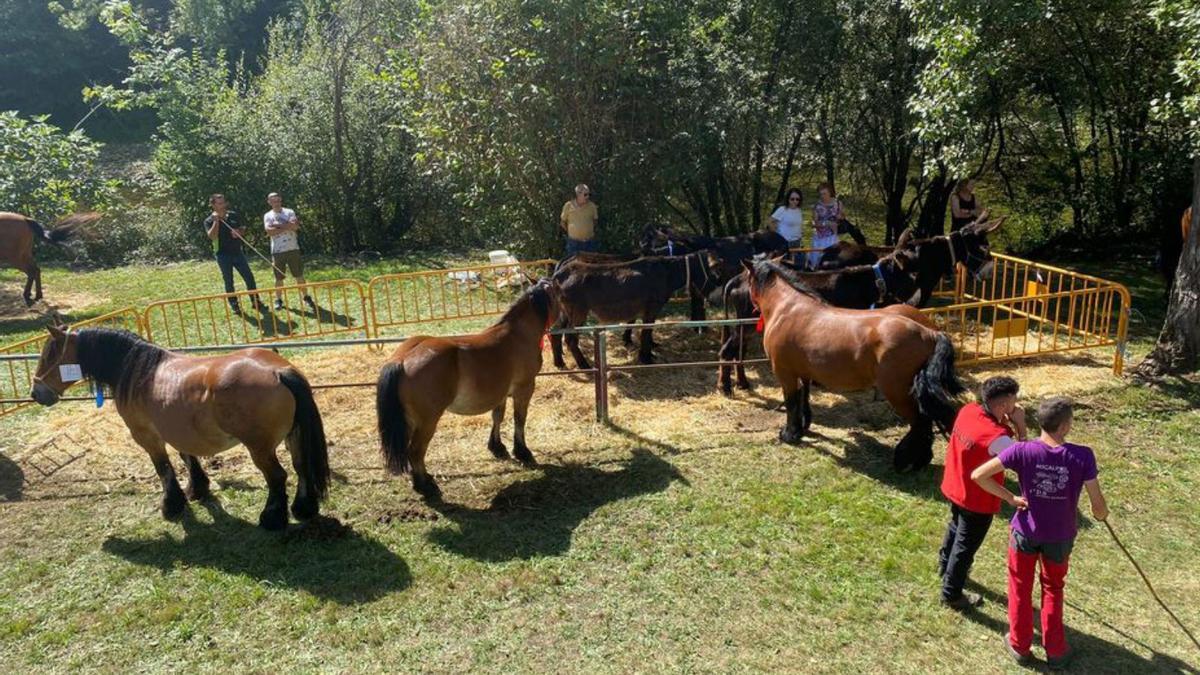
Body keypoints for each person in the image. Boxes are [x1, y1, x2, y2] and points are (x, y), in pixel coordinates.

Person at [971, 397, 1108, 670]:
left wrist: (1010, 497)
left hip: (1024, 533)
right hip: (1060, 537)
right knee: (1054, 589)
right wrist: (1101, 514)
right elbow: (1097, 505)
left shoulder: (1021, 451)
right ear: (1066, 426)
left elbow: (978, 475)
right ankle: (1056, 650)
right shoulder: (1082, 456)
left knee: (1019, 587)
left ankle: (1020, 645)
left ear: (1040, 422)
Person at [938, 375, 1026, 610]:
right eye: (1014, 402)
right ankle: (952, 593)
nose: (1017, 406)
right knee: (966, 546)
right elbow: (1022, 461)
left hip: (955, 485)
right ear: (1003, 404)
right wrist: (1021, 426)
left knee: (955, 527)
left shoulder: (967, 411)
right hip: (977, 499)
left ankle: (944, 565)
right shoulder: (997, 438)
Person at [204, 194, 262, 313]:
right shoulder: (209, 220)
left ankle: (255, 301)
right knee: (229, 280)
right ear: (213, 205)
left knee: (249, 277)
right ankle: (234, 304)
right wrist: (216, 222)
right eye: (219, 203)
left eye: (223, 202)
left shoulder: (233, 215)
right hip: (222, 254)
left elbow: (243, 228)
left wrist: (239, 232)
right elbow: (212, 236)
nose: (222, 205)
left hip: (237, 252)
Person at [262, 192, 316, 311]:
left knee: (299, 275)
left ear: (281, 200)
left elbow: (295, 227)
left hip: (293, 248)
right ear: (269, 202)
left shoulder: (289, 212)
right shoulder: (267, 215)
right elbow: (269, 232)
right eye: (273, 201)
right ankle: (278, 300)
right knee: (279, 278)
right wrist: (287, 226)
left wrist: (277, 226)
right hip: (277, 250)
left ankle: (306, 297)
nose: (276, 203)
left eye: (278, 200)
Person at [809, 183, 843, 269]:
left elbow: (841, 217)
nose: (822, 196)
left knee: (832, 262)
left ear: (830, 192)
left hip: (833, 238)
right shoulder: (817, 206)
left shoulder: (838, 204)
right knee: (817, 263)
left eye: (824, 193)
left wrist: (840, 218)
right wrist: (826, 223)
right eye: (820, 194)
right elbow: (813, 224)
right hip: (820, 239)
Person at [560, 184, 599, 257]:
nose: (588, 197)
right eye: (585, 195)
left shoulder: (592, 206)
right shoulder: (568, 206)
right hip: (573, 243)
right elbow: (563, 222)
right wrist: (572, 231)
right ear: (578, 194)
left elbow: (595, 222)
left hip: (589, 243)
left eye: (589, 194)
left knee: (589, 264)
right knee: (573, 265)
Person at [770, 188, 805, 265]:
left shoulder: (799, 210)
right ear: (788, 199)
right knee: (783, 267)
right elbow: (770, 221)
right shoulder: (782, 209)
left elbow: (798, 225)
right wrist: (776, 236)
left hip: (796, 242)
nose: (795, 201)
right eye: (792, 199)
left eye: (797, 199)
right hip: (784, 243)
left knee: (796, 267)